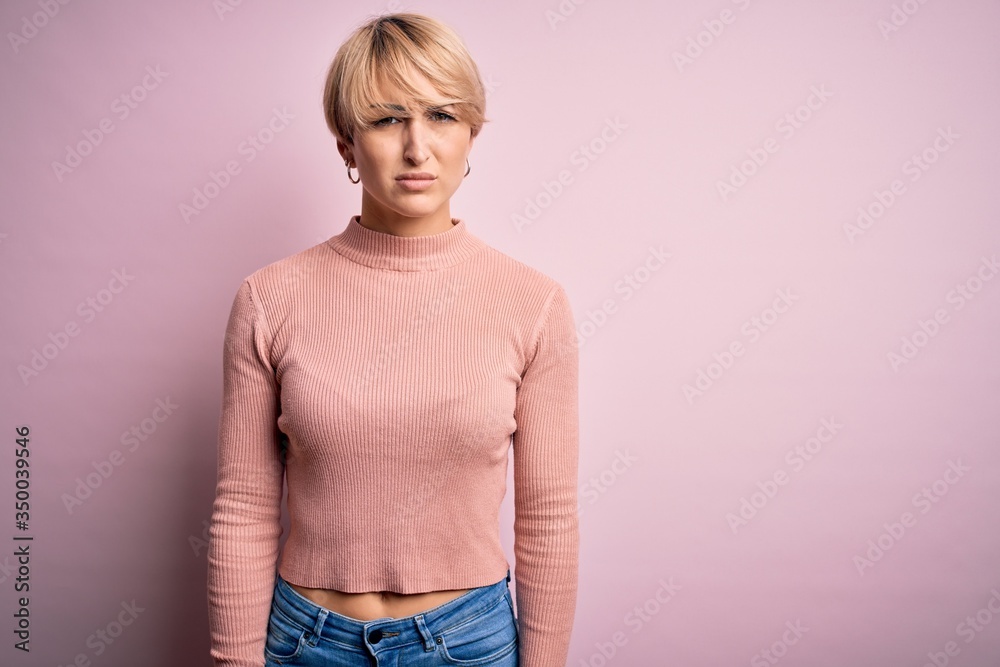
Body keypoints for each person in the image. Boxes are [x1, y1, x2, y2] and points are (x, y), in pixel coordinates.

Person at [207, 11, 580, 667]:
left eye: (441, 115)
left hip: (470, 641)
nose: (417, 147)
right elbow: (243, 509)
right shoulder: (270, 297)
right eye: (385, 119)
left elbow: (547, 516)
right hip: (305, 643)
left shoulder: (534, 303)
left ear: (472, 134)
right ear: (346, 144)